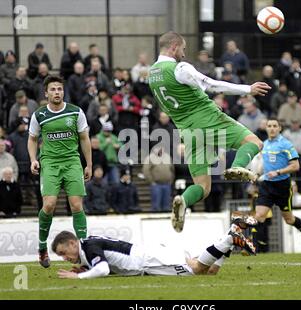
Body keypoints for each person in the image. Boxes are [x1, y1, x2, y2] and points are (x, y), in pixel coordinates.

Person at [148, 31, 271, 232]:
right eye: (183, 49)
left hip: (187, 132)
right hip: (208, 120)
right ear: (174, 47)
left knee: (203, 188)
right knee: (255, 142)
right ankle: (238, 166)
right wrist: (247, 89)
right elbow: (210, 84)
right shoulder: (179, 67)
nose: (184, 54)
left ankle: (184, 202)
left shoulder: (152, 74)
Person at [52, 216, 257, 279]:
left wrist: (78, 276)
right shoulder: (88, 246)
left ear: (72, 243)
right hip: (148, 254)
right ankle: (231, 234)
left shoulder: (88, 247)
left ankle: (229, 239)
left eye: (63, 253)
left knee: (197, 270)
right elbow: (106, 262)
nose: (65, 258)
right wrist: (87, 268)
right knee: (210, 271)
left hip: (148, 260)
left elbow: (104, 269)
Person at [27, 75, 92, 268]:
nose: (57, 92)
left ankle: (84, 252)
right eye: (53, 89)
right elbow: (32, 139)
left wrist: (88, 164)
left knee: (76, 205)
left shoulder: (76, 112)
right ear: (46, 93)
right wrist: (33, 160)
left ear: (63, 91)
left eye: (60, 89)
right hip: (50, 163)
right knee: (49, 205)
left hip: (72, 161)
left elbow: (84, 138)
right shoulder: (39, 115)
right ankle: (41, 248)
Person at [254, 118, 301, 253]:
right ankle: (254, 246)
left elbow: (295, 166)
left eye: (275, 126)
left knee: (289, 219)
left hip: (282, 186)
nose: (272, 128)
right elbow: (262, 165)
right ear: (266, 128)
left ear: (280, 128)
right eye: (269, 126)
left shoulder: (286, 145)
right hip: (267, 186)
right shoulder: (264, 145)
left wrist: (278, 172)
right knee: (259, 216)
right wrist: (256, 175)